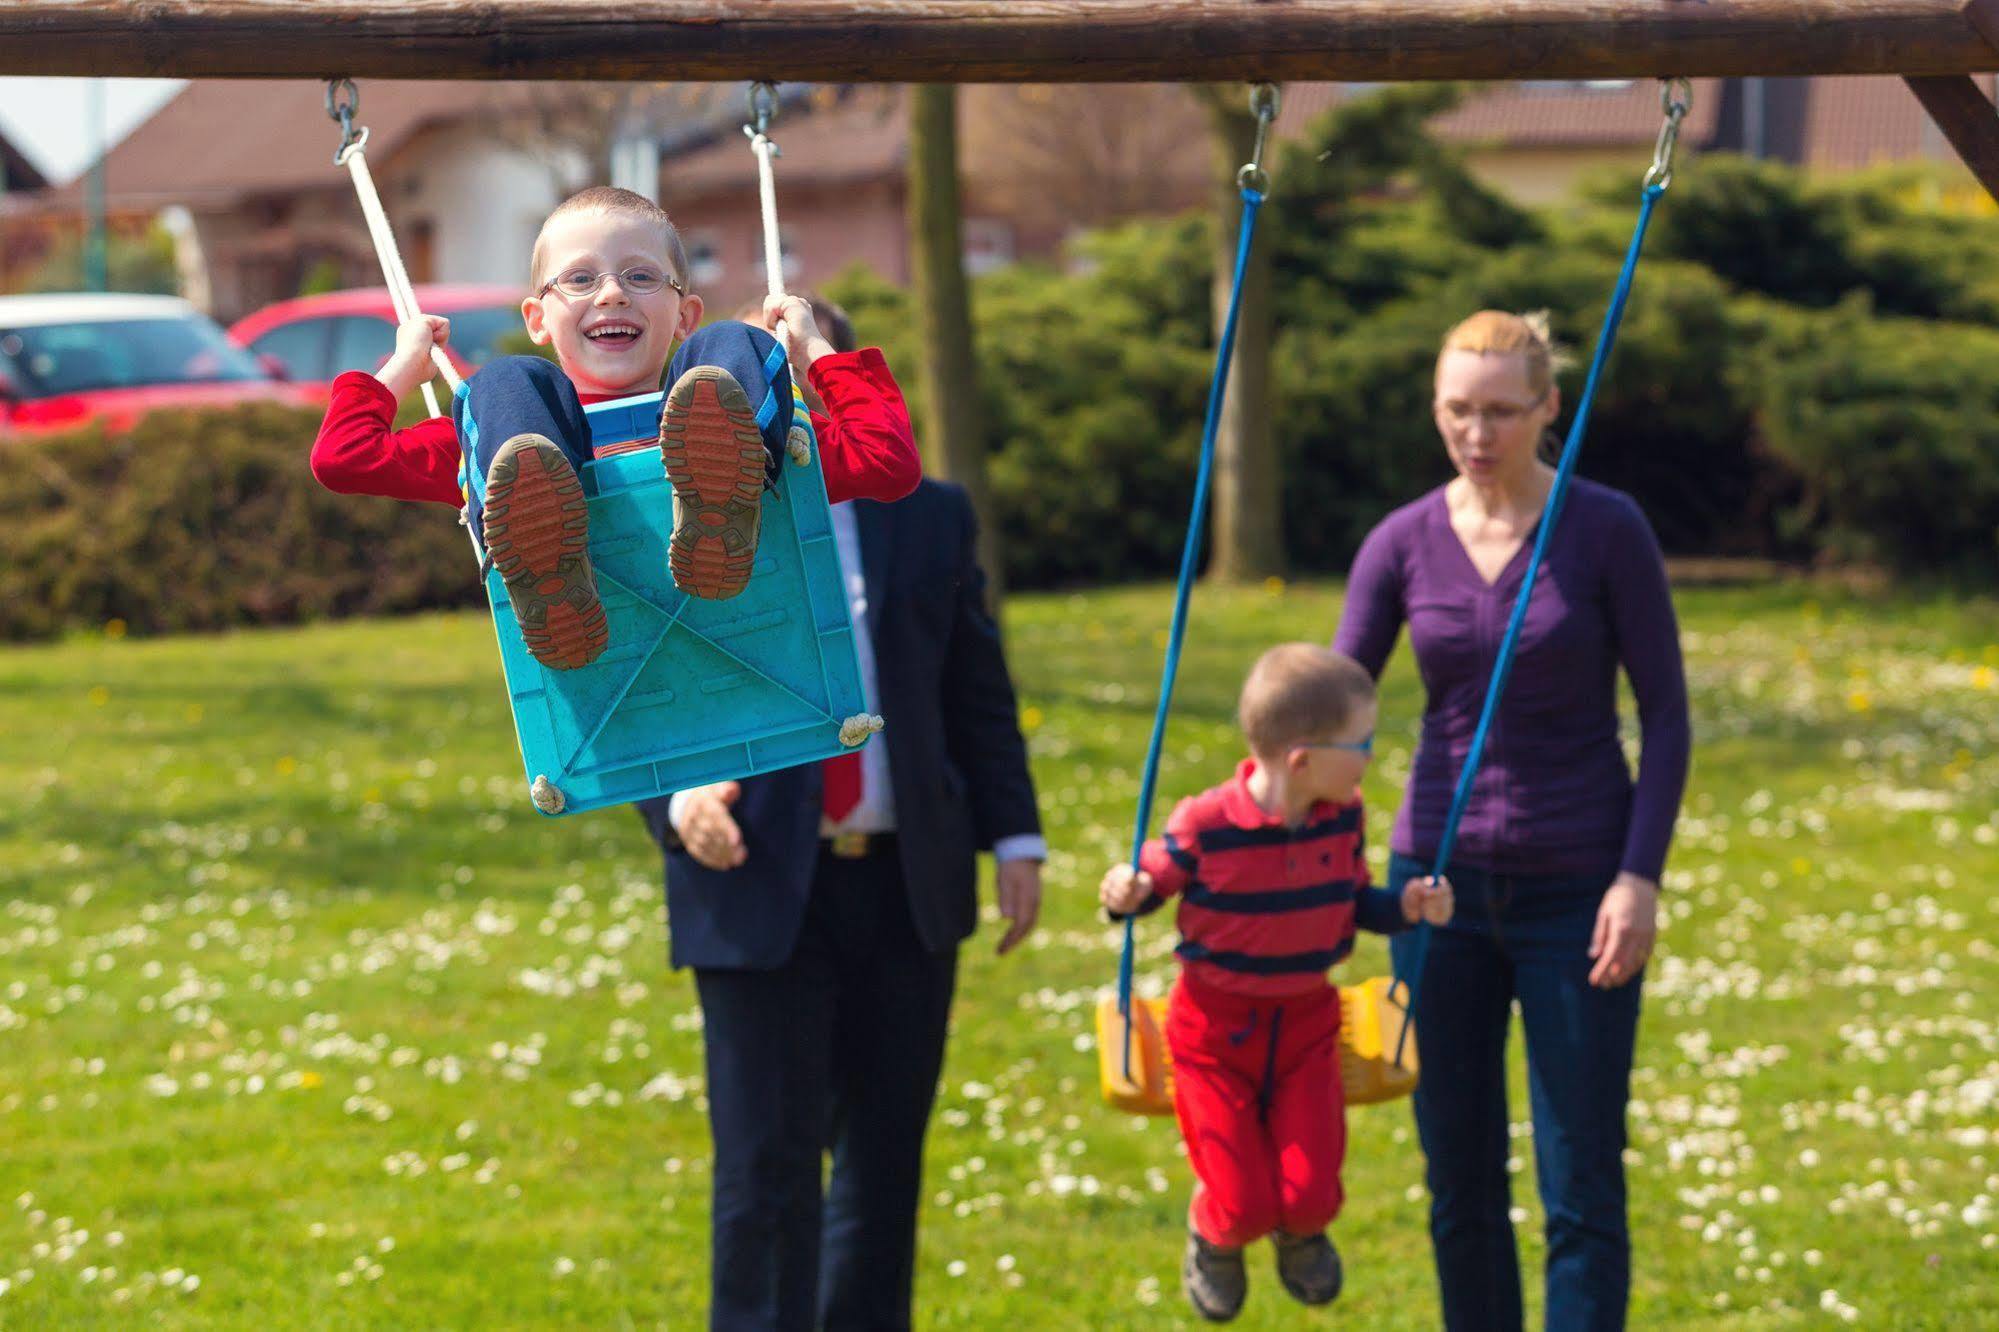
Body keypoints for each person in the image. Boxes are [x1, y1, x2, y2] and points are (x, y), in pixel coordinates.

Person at [637, 299, 1044, 1332]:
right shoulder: (677, 513)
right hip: (757, 881)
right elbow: (634, 690)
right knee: (765, 1173)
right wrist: (675, 802)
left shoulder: (929, 513)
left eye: (805, 374)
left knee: (883, 1161)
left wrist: (1017, 837)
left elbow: (973, 687)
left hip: (907, 882)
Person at [1333, 310, 1692, 1331]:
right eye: (1457, 410)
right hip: (1432, 893)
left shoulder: (1607, 528)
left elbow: (1664, 716)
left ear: (1548, 409)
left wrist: (1638, 877)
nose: (1477, 433)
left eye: (1500, 410)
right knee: (1459, 1184)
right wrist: (1242, 831)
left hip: (1577, 891)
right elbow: (1331, 712)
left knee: (1579, 1183)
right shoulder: (1400, 541)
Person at [308, 186, 921, 667]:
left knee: (735, 347)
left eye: (641, 276)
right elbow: (342, 458)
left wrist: (808, 345)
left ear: (684, 314)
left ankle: (726, 490)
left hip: (749, 627)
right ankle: (545, 557)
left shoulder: (736, 381)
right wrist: (405, 365)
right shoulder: (497, 428)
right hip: (603, 646)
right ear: (538, 318)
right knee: (502, 386)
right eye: (579, 278)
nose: (611, 295)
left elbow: (890, 464)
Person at [1099, 643, 1453, 1324]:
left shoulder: (1341, 815)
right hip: (1210, 1034)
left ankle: (1301, 1230)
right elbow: (1149, 885)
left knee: (1312, 1188)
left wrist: (1403, 907)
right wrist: (1127, 889)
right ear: (1302, 758)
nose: (1371, 757)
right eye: (1362, 742)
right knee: (1241, 1199)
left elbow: (1353, 898)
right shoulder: (1206, 823)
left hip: (1306, 1026)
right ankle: (1214, 1236)